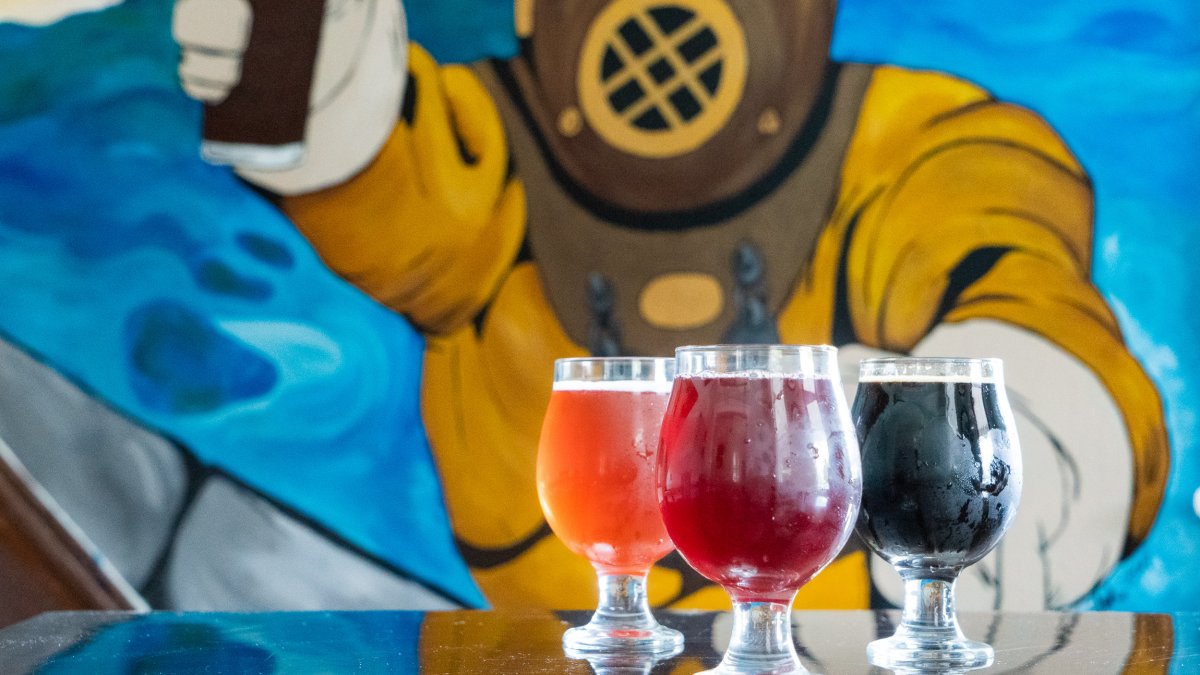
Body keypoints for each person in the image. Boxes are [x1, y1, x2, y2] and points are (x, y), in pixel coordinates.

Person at [173, 0, 1168, 610]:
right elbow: (395, 180)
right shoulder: (491, 155)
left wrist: (1043, 434)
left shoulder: (915, 143)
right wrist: (309, 84)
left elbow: (1003, 259)